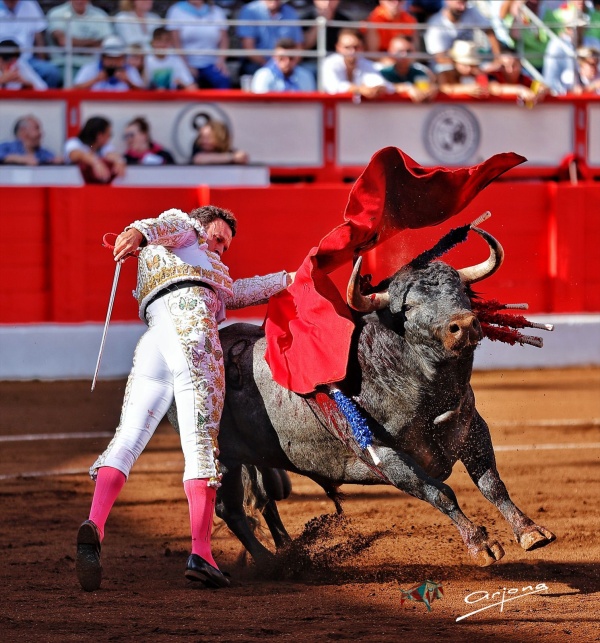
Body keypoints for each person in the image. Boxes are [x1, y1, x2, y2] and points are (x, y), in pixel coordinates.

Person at [75, 205, 295, 592]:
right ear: (202, 224)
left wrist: (288, 279)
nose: (221, 247)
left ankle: (95, 523)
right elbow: (163, 225)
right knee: (201, 445)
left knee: (127, 438)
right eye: (219, 237)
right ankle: (201, 554)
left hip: (154, 341)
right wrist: (138, 232)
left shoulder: (207, 266)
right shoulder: (185, 229)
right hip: (193, 331)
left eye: (226, 246)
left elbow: (239, 291)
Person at [166, 0, 231, 89]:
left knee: (222, 79)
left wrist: (221, 60)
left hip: (212, 63)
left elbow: (224, 39)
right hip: (185, 62)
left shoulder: (216, 11)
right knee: (186, 83)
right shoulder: (176, 11)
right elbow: (175, 42)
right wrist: (186, 66)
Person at [424, 0, 502, 74]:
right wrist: (458, 65)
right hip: (447, 67)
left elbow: (489, 31)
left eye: (465, 2)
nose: (463, 7)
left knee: (505, 65)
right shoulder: (435, 24)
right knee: (446, 69)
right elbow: (439, 57)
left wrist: (497, 58)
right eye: (459, 3)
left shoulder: (471, 11)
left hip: (472, 62)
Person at [47, 0, 114, 82]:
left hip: (94, 66)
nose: (80, 1)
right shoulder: (56, 13)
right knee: (76, 85)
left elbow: (108, 43)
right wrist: (93, 44)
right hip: (65, 64)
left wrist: (76, 44)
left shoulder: (100, 14)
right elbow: (63, 42)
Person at [0, 0, 62, 88]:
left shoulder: (30, 5)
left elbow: (41, 88)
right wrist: (2, 80)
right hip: (2, 58)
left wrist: (26, 83)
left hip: (28, 59)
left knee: (51, 72)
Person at [236, 0, 305, 77]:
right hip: (257, 65)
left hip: (287, 66)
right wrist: (270, 68)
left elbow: (298, 46)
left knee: (305, 74)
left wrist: (287, 65)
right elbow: (248, 47)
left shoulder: (290, 12)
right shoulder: (250, 11)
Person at [321, 29, 392, 98]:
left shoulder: (365, 63)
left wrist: (378, 88)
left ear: (362, 47)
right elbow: (333, 87)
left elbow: (378, 81)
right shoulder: (329, 63)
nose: (352, 51)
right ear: (338, 48)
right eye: (347, 47)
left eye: (356, 47)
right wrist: (359, 89)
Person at [64, 116, 126, 183]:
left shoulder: (104, 146)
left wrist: (118, 161)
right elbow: (75, 155)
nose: (109, 137)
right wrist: (95, 162)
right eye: (109, 134)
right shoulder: (74, 142)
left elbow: (111, 154)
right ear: (99, 135)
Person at [378, 34, 438, 101]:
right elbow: (381, 88)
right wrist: (407, 88)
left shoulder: (420, 72)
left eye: (409, 51)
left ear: (415, 52)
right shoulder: (382, 73)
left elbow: (424, 89)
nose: (404, 55)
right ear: (391, 52)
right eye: (400, 51)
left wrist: (431, 88)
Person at [73, 35, 144, 91]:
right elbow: (75, 89)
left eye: (117, 58)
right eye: (110, 58)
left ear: (123, 57)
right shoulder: (89, 68)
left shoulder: (130, 70)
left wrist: (128, 81)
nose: (113, 62)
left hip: (124, 104)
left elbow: (143, 92)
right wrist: (96, 80)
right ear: (102, 57)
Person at [250, 37, 316, 92]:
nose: (287, 62)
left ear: (297, 58)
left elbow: (310, 102)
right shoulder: (263, 76)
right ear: (274, 57)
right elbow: (260, 102)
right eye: (281, 58)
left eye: (291, 58)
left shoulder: (306, 76)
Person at [499, 0, 549, 72]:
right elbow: (514, 35)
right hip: (525, 66)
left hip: (544, 63)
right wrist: (518, 11)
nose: (534, 2)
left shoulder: (546, 14)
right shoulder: (514, 18)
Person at [542, 15, 587, 93]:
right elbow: (551, 78)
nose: (579, 31)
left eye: (581, 28)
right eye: (575, 28)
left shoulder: (592, 42)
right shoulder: (556, 45)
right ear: (567, 29)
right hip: (563, 94)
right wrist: (566, 92)